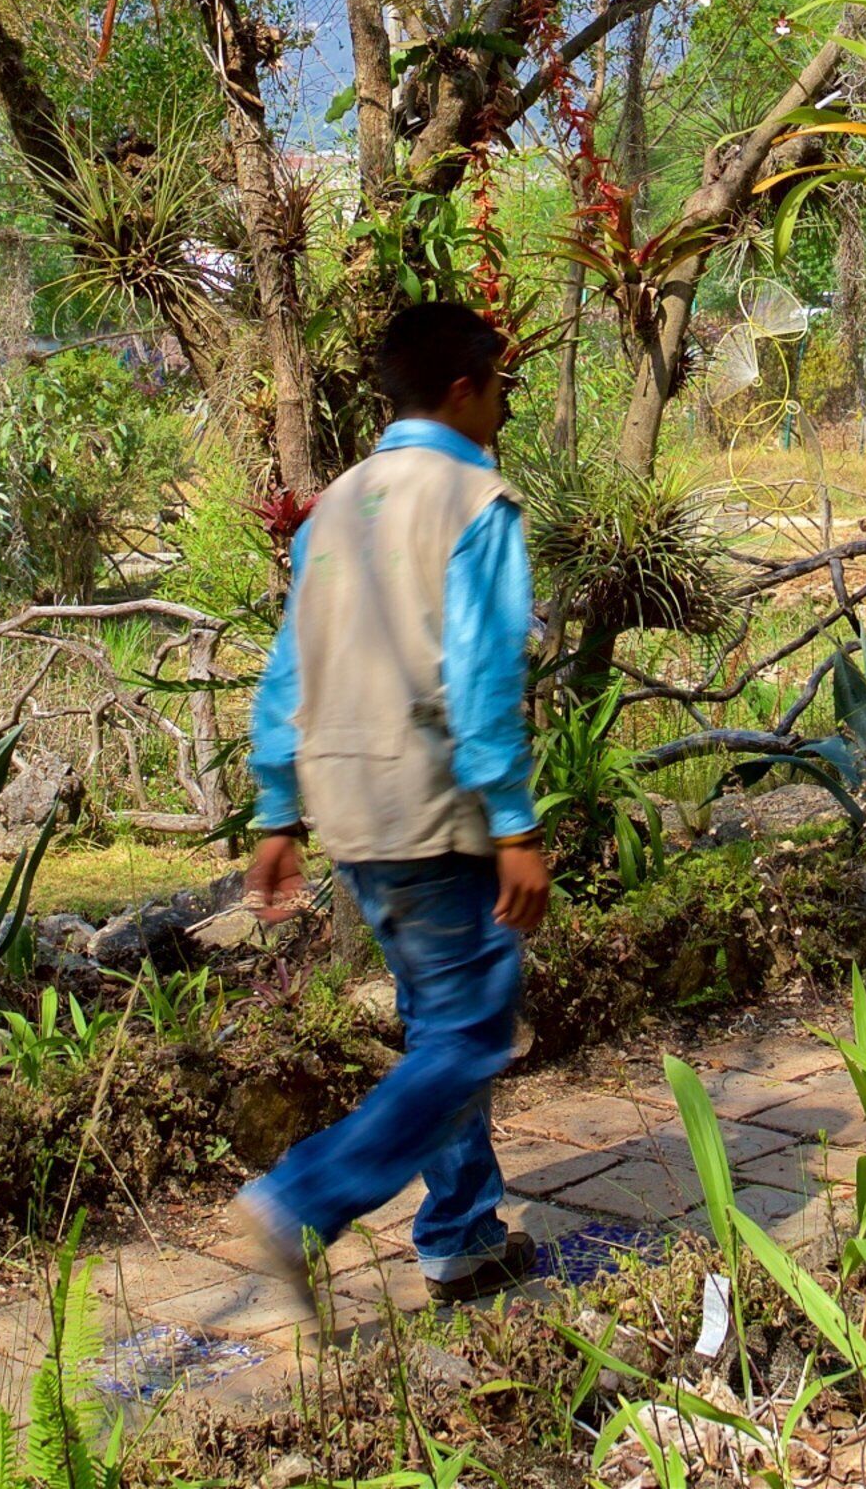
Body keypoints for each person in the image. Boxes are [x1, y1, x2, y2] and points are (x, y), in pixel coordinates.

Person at [234, 299, 551, 1311]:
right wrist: (516, 825)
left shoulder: (336, 508)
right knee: (472, 1034)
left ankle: (459, 1234)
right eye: (500, 384)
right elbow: (485, 675)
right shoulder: (473, 501)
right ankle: (302, 1200)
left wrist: (278, 813)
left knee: (436, 1022)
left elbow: (289, 668)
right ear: (464, 387)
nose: (505, 404)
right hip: (434, 800)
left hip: (351, 810)